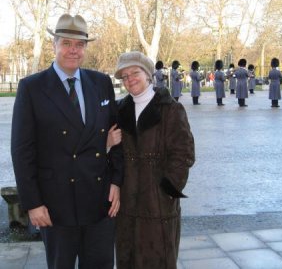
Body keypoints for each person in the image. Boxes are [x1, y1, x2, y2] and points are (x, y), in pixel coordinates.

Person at [11, 14, 123, 269]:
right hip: (56, 203)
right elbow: (22, 151)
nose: (73, 50)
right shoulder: (32, 87)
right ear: (54, 45)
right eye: (67, 43)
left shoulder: (101, 82)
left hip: (99, 198)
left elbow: (117, 137)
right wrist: (33, 203)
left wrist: (117, 181)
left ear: (85, 48)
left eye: (80, 45)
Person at [114, 51, 195, 269]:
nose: (130, 79)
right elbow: (113, 155)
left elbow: (184, 153)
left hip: (158, 204)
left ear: (148, 74)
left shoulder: (171, 109)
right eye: (125, 76)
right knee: (128, 260)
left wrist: (168, 189)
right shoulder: (119, 110)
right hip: (127, 203)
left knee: (158, 261)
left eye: (135, 72)